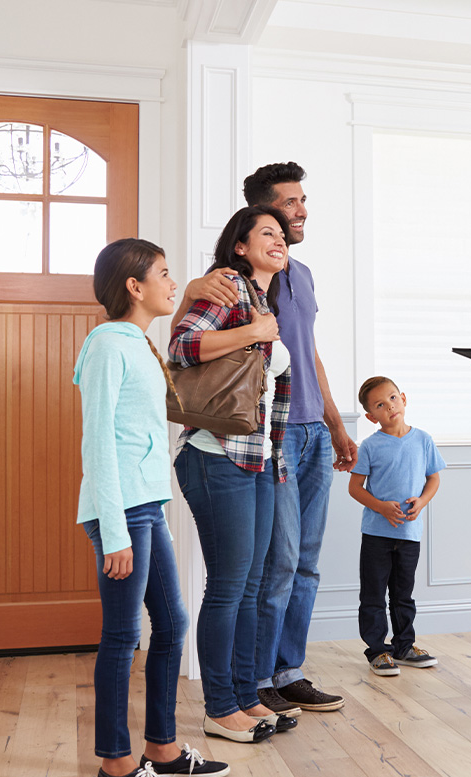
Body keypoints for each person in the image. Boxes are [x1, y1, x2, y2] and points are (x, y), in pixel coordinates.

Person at [178, 162, 355, 713]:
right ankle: (250, 683)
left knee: (302, 564)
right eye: (286, 207)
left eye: (302, 205)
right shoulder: (229, 284)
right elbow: (185, 340)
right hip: (247, 441)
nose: (298, 213)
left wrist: (335, 422)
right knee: (266, 569)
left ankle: (284, 671)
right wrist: (190, 291)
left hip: (297, 433)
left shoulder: (296, 277)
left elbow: (307, 355)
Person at [75, 238, 230, 777]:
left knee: (171, 624)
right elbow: (99, 444)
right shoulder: (107, 346)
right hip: (120, 513)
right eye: (164, 274)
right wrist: (114, 531)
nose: (174, 283)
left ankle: (161, 748)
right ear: (134, 287)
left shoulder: (139, 343)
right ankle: (115, 764)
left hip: (147, 506)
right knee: (122, 636)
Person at [168, 207, 298, 743]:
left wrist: (277, 457)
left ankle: (245, 699)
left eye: (282, 234)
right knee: (227, 588)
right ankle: (220, 708)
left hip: (257, 458)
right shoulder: (226, 289)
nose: (280, 239)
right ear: (239, 246)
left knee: (249, 588)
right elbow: (181, 347)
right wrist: (254, 329)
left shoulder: (263, 302)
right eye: (266, 232)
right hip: (214, 453)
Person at [348, 376, 446, 676]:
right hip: (376, 535)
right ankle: (377, 650)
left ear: (403, 398)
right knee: (374, 594)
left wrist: (422, 501)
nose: (389, 406)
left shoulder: (423, 440)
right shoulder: (369, 446)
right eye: (380, 404)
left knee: (404, 594)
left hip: (409, 534)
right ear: (370, 416)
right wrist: (380, 507)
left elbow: (434, 478)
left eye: (392, 398)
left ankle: (404, 646)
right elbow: (355, 488)